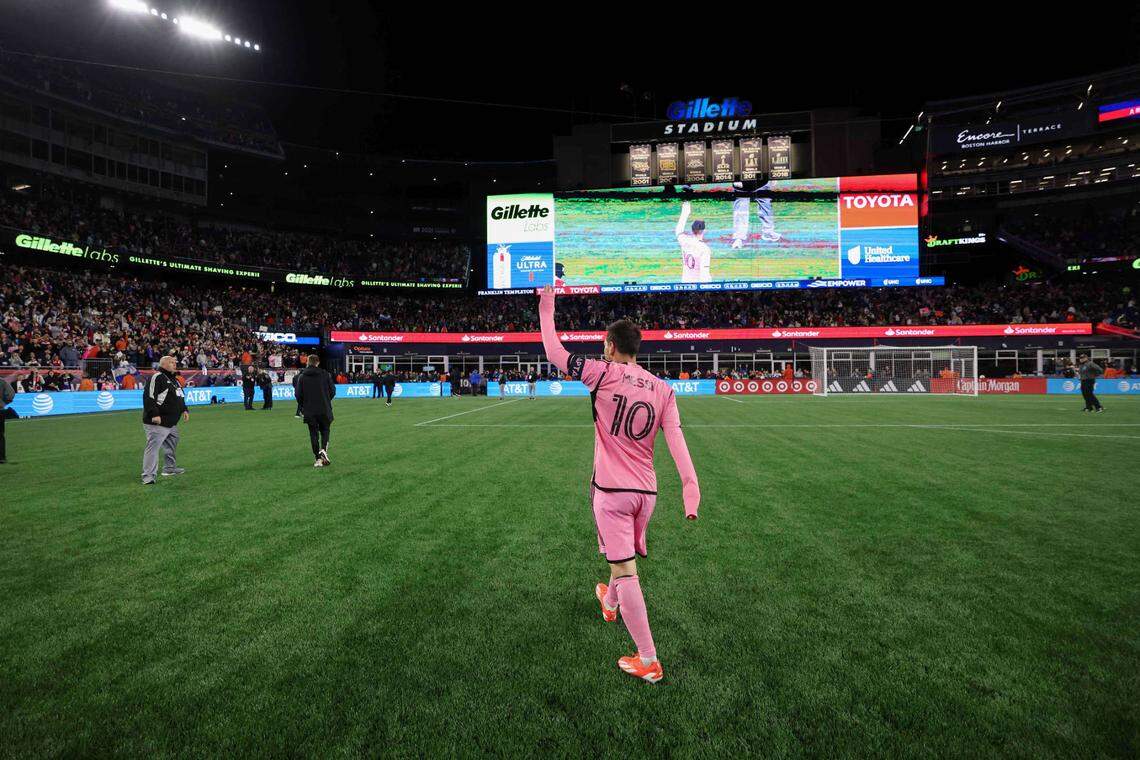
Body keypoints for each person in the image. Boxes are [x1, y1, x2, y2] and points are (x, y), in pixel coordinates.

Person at [537, 285, 700, 684]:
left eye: (604, 344)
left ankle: (649, 659)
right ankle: (609, 602)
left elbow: (554, 352)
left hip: (611, 492)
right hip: (647, 494)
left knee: (625, 568)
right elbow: (677, 443)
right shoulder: (664, 390)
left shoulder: (601, 372)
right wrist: (690, 490)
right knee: (619, 555)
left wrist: (547, 301)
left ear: (610, 346)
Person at [141, 355, 189, 485]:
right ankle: (148, 476)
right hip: (158, 421)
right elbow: (149, 396)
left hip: (171, 423)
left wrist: (184, 409)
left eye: (175, 362)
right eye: (172, 362)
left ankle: (169, 469)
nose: (175, 364)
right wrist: (154, 414)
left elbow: (180, 396)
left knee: (171, 445)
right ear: (164, 364)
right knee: (153, 447)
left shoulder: (175, 380)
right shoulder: (157, 377)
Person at [296, 354, 335, 467]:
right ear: (317, 362)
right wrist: (326, 400)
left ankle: (318, 459)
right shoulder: (325, 375)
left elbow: (298, 394)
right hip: (324, 408)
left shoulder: (302, 376)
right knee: (325, 430)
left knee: (313, 433)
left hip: (310, 410)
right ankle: (323, 449)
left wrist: (304, 405)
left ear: (307, 362)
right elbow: (332, 391)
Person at [674, 200, 711, 283]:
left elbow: (678, 230)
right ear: (704, 231)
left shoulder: (684, 240)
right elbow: (704, 273)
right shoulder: (705, 249)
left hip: (685, 284)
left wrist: (685, 211)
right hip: (698, 288)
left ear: (692, 230)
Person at [0, 375, 13, 463]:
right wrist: (3, 403)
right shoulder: (2, 381)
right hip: (0, 410)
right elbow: (11, 394)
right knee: (0, 435)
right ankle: (1, 458)